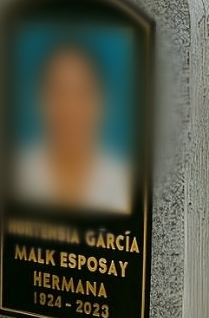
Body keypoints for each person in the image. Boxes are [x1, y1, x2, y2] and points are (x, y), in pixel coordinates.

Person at [13, 43, 132, 214]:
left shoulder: (125, 183)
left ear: (102, 103)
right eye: (57, 91)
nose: (69, 108)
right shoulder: (16, 172)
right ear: (38, 101)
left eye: (82, 93)